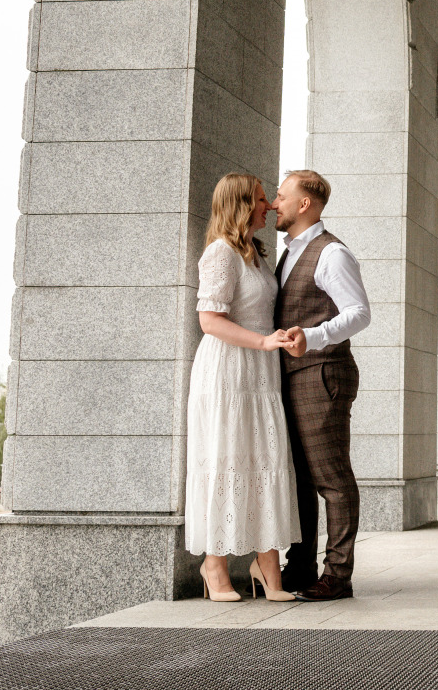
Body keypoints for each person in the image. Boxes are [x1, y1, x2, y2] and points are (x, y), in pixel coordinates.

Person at [186, 172, 305, 602]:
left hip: (260, 372)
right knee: (226, 461)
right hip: (228, 373)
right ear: (239, 204)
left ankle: (266, 565)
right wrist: (263, 341)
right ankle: (214, 566)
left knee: (264, 460)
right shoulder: (220, 253)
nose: (269, 205)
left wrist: (277, 341)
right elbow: (209, 321)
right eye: (260, 199)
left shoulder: (254, 252)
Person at [271, 169, 372, 601]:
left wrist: (311, 337)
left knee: (331, 479)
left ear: (304, 204)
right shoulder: (291, 252)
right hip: (293, 376)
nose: (275, 203)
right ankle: (299, 568)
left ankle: (338, 575)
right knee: (299, 479)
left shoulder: (332, 254)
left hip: (322, 372)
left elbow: (359, 312)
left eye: (280, 196)